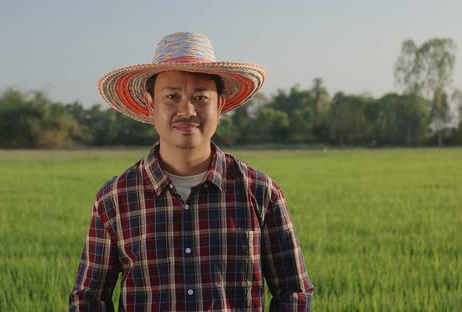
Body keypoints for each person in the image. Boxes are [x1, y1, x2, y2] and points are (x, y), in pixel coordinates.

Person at [69, 32, 314, 311]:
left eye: (200, 97)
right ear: (150, 105)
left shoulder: (260, 192)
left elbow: (294, 292)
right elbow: (89, 299)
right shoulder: (115, 198)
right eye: (172, 96)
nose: (187, 110)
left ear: (220, 105)